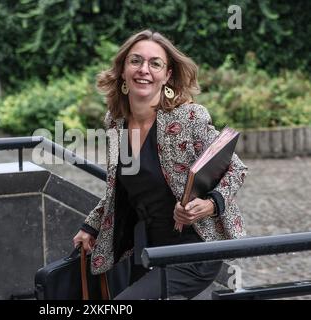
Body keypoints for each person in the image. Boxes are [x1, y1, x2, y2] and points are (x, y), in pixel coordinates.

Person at [72, 29, 248, 300]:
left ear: (167, 75)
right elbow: (119, 189)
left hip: (195, 249)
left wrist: (210, 204)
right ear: (122, 70)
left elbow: (236, 169)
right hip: (148, 248)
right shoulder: (115, 124)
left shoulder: (189, 117)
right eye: (136, 61)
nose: (144, 69)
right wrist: (91, 226)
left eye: (155, 64)